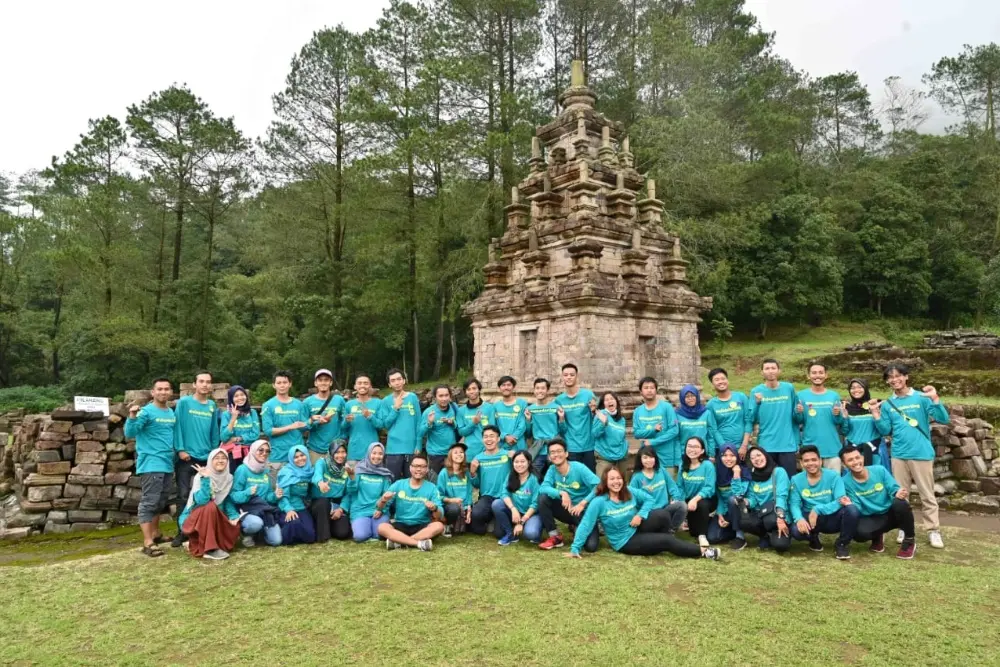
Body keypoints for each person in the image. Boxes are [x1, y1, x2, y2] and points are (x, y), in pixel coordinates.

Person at [870, 363, 948, 549]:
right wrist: (876, 414)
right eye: (890, 377)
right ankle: (904, 527)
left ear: (906, 377)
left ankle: (933, 530)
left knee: (927, 494)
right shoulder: (888, 404)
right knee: (900, 495)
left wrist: (935, 399)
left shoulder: (921, 398)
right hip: (898, 454)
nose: (894, 379)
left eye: (898, 375)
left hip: (921, 453)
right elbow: (886, 430)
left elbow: (944, 419)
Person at [565, 468, 720, 560]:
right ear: (605, 482)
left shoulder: (629, 491)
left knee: (662, 514)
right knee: (666, 541)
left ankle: (663, 541)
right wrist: (575, 548)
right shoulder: (599, 502)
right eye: (612, 479)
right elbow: (586, 524)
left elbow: (649, 499)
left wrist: (640, 515)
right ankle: (705, 552)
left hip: (636, 526)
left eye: (619, 478)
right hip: (624, 541)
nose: (616, 482)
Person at [124, 377, 176, 557]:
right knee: (149, 501)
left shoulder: (170, 413)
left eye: (166, 389)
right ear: (153, 392)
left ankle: (156, 534)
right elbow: (130, 432)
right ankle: (147, 542)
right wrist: (131, 416)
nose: (163, 392)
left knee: (161, 501)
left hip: (167, 462)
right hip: (151, 462)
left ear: (171, 392)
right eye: (159, 389)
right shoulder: (146, 412)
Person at [171, 370, 220, 547]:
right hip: (187, 456)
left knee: (206, 494)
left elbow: (215, 430)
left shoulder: (212, 406)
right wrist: (180, 449)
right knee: (183, 495)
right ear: (194, 384)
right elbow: (177, 427)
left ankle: (202, 529)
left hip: (206, 457)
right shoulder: (184, 403)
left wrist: (214, 452)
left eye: (208, 382)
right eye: (201, 381)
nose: (205, 385)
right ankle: (181, 532)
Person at [840, 445, 916, 559]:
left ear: (862, 457)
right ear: (844, 464)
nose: (855, 462)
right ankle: (877, 536)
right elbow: (858, 507)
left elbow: (893, 488)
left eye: (857, 457)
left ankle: (909, 540)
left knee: (900, 503)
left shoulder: (879, 470)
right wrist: (850, 504)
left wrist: (898, 492)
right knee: (858, 534)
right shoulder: (845, 482)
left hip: (891, 513)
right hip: (872, 516)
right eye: (850, 460)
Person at [788, 445, 859, 560]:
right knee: (796, 531)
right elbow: (794, 504)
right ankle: (813, 538)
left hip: (832, 516)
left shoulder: (833, 476)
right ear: (801, 463)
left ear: (820, 461)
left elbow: (841, 500)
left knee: (852, 510)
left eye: (814, 460)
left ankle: (841, 544)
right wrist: (799, 518)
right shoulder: (796, 479)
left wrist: (818, 509)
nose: (811, 463)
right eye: (806, 461)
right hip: (811, 519)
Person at [536, 438, 601, 551]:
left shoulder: (579, 468)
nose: (556, 455)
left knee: (591, 547)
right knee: (543, 498)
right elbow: (543, 488)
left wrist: (583, 503)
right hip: (567, 509)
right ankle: (555, 537)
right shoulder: (552, 469)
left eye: (559, 451)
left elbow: (599, 486)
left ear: (566, 453)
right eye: (552, 452)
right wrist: (561, 493)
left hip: (583, 512)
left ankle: (580, 526)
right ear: (549, 456)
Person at [177, 448, 242, 560]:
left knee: (234, 526)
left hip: (214, 517)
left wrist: (233, 516)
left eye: (223, 458)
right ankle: (209, 549)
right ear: (210, 461)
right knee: (210, 506)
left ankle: (193, 543)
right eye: (216, 458)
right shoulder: (201, 476)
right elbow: (201, 501)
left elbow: (227, 500)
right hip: (194, 517)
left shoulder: (229, 478)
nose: (220, 461)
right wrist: (206, 479)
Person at [729, 446, 791, 552]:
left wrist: (781, 518)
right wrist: (746, 502)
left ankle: (776, 533)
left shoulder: (778, 472)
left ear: (765, 455)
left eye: (759, 455)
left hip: (776, 515)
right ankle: (764, 535)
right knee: (743, 521)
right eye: (753, 458)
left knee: (781, 546)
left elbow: (782, 496)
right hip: (761, 514)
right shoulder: (753, 477)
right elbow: (753, 499)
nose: (757, 459)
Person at [377, 453, 445, 551]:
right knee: (382, 527)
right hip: (401, 524)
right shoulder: (399, 484)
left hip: (421, 526)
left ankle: (400, 541)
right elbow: (380, 507)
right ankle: (418, 543)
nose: (418, 469)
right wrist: (383, 500)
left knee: (438, 526)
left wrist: (435, 508)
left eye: (422, 467)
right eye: (416, 466)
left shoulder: (432, 488)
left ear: (426, 469)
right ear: (410, 468)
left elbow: (440, 515)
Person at [749, 359, 800, 478]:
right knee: (768, 480)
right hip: (766, 445)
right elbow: (752, 418)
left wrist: (797, 441)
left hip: (787, 445)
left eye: (773, 368)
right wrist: (757, 403)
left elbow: (795, 417)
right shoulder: (756, 391)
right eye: (767, 368)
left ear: (779, 371)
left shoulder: (789, 388)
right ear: (762, 372)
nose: (770, 371)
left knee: (789, 479)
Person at [230, 439, 282, 548]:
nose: (264, 453)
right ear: (253, 450)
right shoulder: (242, 469)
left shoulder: (265, 471)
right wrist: (247, 492)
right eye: (261, 450)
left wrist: (275, 496)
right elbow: (233, 496)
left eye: (267, 451)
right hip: (246, 509)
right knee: (255, 523)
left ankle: (260, 534)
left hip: (262, 509)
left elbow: (267, 496)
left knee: (276, 541)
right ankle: (247, 534)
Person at [794, 363, 845, 472]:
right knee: (811, 483)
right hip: (810, 448)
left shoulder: (833, 395)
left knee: (833, 483)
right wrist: (798, 413)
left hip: (832, 448)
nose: (817, 375)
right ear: (808, 375)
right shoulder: (801, 395)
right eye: (814, 373)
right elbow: (799, 421)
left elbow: (838, 421)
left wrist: (838, 414)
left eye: (821, 372)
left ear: (826, 375)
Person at [261, 371, 310, 479]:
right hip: (278, 456)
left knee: (299, 490)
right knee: (278, 491)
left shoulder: (299, 404)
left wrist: (313, 420)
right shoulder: (268, 405)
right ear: (274, 385)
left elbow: (304, 426)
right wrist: (290, 427)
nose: (282, 385)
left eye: (285, 382)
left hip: (298, 456)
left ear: (290, 384)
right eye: (279, 383)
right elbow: (268, 431)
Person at [628, 446, 687, 533]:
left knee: (682, 506)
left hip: (665, 509)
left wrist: (675, 499)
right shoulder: (637, 477)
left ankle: (671, 530)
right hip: (649, 513)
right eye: (645, 458)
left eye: (651, 457)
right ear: (640, 460)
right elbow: (632, 499)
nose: (649, 460)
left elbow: (672, 487)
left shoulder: (661, 470)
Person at [376, 368, 421, 480]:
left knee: (413, 481)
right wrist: (395, 408)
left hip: (411, 448)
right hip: (393, 449)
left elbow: (419, 422)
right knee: (391, 481)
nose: (397, 382)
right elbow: (385, 424)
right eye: (393, 380)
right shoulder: (386, 401)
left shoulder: (412, 397)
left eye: (399, 379)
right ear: (389, 384)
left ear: (404, 381)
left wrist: (419, 444)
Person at [632, 377, 680, 477]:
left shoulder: (667, 407)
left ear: (656, 390)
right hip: (647, 458)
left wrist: (652, 441)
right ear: (641, 391)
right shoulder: (638, 411)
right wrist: (653, 430)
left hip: (666, 457)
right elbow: (637, 433)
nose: (649, 390)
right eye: (646, 388)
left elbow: (674, 430)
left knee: (668, 489)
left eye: (652, 387)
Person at [554, 363, 598, 472]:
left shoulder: (588, 395)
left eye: (572, 375)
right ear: (562, 377)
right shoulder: (559, 400)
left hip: (589, 446)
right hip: (571, 447)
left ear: (577, 376)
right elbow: (562, 429)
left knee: (590, 480)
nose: (569, 377)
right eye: (566, 375)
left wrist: (594, 411)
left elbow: (596, 419)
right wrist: (561, 418)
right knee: (575, 480)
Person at [346, 442, 394, 542]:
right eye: (374, 453)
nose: (377, 456)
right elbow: (351, 490)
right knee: (360, 536)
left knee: (379, 535)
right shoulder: (358, 470)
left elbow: (388, 498)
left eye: (380, 454)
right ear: (368, 453)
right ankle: (360, 526)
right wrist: (351, 478)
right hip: (360, 510)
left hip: (378, 511)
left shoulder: (385, 474)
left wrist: (381, 510)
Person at [469, 425, 512, 536]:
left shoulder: (507, 455)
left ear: (498, 439)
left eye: (492, 436)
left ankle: (499, 518)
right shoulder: (478, 458)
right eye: (486, 437)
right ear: (482, 439)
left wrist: (515, 457)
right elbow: (476, 484)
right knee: (477, 520)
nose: (489, 439)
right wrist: (473, 473)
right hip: (486, 497)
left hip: (504, 497)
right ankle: (490, 518)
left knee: (499, 533)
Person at [494, 450, 543, 546]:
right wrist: (513, 509)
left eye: (522, 461)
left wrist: (521, 522)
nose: (519, 465)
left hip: (531, 513)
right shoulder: (511, 475)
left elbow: (535, 504)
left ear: (528, 462)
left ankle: (535, 527)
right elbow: (504, 494)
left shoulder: (534, 479)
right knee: (497, 504)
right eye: (516, 462)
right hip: (516, 511)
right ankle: (510, 534)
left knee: (531, 534)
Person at [274, 444, 317, 545]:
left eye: (302, 455)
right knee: (294, 523)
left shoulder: (309, 471)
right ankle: (280, 530)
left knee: (310, 536)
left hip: (301, 507)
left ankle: (295, 532)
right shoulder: (286, 472)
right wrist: (288, 510)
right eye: (296, 457)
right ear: (291, 459)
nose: (300, 459)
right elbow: (282, 495)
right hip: (287, 506)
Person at [309, 442, 352, 542]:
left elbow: (348, 493)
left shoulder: (347, 469)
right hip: (319, 504)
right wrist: (320, 483)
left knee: (343, 533)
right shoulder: (322, 463)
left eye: (343, 452)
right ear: (331, 453)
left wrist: (341, 509)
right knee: (323, 503)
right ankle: (323, 536)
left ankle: (325, 526)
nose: (340, 455)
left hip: (336, 506)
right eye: (337, 452)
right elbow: (317, 475)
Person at [705, 368, 752, 460]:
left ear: (727, 380)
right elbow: (713, 429)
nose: (721, 382)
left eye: (723, 378)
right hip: (722, 450)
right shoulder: (711, 404)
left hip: (743, 448)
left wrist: (744, 445)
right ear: (712, 384)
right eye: (717, 380)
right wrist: (726, 448)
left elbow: (748, 421)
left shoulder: (741, 397)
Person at [707, 444, 748, 545]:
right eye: (724, 455)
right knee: (712, 538)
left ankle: (740, 534)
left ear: (737, 457)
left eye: (732, 455)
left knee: (732, 499)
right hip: (725, 511)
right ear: (720, 457)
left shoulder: (744, 471)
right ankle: (732, 530)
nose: (728, 458)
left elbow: (739, 496)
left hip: (740, 511)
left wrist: (736, 475)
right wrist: (720, 514)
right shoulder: (717, 472)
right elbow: (719, 496)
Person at [841, 378, 887, 468]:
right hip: (853, 451)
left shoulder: (876, 405)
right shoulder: (846, 407)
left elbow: (884, 431)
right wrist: (845, 418)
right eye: (853, 388)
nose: (856, 390)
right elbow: (844, 431)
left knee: (876, 478)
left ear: (865, 388)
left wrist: (876, 415)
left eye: (859, 387)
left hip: (874, 450)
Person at [678, 437, 716, 542]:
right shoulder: (683, 465)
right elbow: (680, 486)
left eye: (696, 447)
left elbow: (709, 488)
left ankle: (702, 536)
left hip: (706, 499)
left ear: (702, 450)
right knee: (693, 532)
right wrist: (680, 502)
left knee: (702, 505)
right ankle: (709, 521)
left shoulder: (708, 465)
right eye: (689, 446)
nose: (692, 449)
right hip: (689, 500)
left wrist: (695, 499)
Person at [304, 368, 346, 464]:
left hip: (336, 449)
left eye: (326, 380)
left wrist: (342, 441)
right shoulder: (307, 402)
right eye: (320, 380)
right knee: (316, 478)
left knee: (336, 478)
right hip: (315, 450)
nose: (323, 383)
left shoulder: (339, 400)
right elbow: (303, 426)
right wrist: (314, 421)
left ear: (331, 383)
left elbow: (344, 423)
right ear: (315, 383)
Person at [418, 385, 461, 473]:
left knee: (451, 483)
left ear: (450, 396)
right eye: (441, 396)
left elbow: (459, 426)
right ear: (435, 397)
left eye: (446, 395)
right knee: (435, 483)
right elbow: (420, 433)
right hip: (435, 455)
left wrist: (452, 423)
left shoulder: (454, 408)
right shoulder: (428, 412)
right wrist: (429, 423)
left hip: (452, 453)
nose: (444, 398)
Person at [343, 373, 382, 466]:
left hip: (373, 452)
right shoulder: (349, 404)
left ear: (370, 386)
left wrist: (370, 416)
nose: (362, 385)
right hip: (354, 451)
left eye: (365, 383)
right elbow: (343, 427)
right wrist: (346, 421)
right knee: (353, 479)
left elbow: (381, 425)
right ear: (355, 386)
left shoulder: (378, 403)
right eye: (359, 383)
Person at [524, 377, 560, 478]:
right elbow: (528, 433)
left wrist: (561, 419)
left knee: (556, 478)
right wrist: (527, 420)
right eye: (537, 388)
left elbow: (563, 430)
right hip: (538, 450)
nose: (540, 391)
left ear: (548, 390)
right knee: (533, 478)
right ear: (534, 390)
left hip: (554, 448)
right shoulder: (530, 409)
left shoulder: (555, 407)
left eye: (543, 388)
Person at [220, 385, 260, 474]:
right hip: (232, 454)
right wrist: (233, 418)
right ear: (231, 398)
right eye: (236, 396)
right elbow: (224, 437)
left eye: (242, 394)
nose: (240, 398)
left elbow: (255, 434)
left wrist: (237, 439)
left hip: (250, 453)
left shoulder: (252, 413)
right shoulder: (226, 414)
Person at [437, 442, 473, 537]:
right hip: (450, 507)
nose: (459, 454)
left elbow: (469, 492)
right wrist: (451, 500)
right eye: (455, 452)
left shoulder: (466, 472)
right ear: (450, 455)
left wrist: (469, 509)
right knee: (454, 508)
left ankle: (459, 524)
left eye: (461, 452)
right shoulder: (443, 473)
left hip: (464, 507)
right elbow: (439, 496)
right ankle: (447, 525)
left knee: (477, 528)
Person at [456, 378, 495, 462]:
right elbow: (461, 432)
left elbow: (493, 430)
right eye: (468, 389)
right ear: (465, 392)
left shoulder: (489, 408)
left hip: (486, 450)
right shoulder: (461, 410)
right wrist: (473, 423)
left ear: (479, 389)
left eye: (474, 388)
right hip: (469, 452)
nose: (472, 391)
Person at [592, 391, 628, 480]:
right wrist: (603, 423)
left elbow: (622, 437)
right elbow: (594, 434)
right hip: (605, 456)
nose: (609, 401)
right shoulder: (601, 415)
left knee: (623, 485)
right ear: (603, 404)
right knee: (601, 487)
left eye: (612, 399)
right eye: (606, 400)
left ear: (616, 402)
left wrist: (625, 448)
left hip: (621, 457)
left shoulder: (622, 419)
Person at [676, 384, 718, 459]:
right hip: (685, 455)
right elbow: (676, 438)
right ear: (682, 398)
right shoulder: (678, 415)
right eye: (687, 396)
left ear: (697, 396)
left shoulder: (706, 413)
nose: (690, 398)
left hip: (703, 454)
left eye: (692, 395)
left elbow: (710, 435)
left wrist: (712, 454)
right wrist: (678, 457)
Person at [493, 376, 528, 452]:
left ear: (513, 387)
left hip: (518, 444)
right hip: (502, 445)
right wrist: (505, 436)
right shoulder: (495, 406)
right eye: (503, 385)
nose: (506, 387)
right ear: (499, 388)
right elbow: (495, 426)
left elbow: (522, 424)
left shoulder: (522, 403)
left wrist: (514, 436)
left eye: (509, 385)